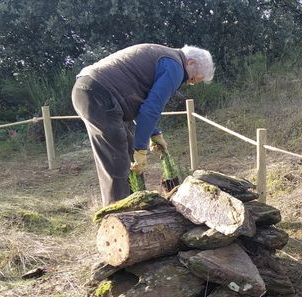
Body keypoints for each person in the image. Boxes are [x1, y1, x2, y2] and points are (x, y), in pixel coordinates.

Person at [72, 44, 214, 206]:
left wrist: (154, 134)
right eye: (194, 79)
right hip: (97, 93)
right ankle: (118, 216)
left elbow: (139, 103)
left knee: (124, 150)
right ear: (191, 62)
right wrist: (140, 149)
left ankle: (134, 207)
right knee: (117, 160)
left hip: (92, 89)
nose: (190, 83)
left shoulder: (166, 58)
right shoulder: (175, 67)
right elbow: (151, 109)